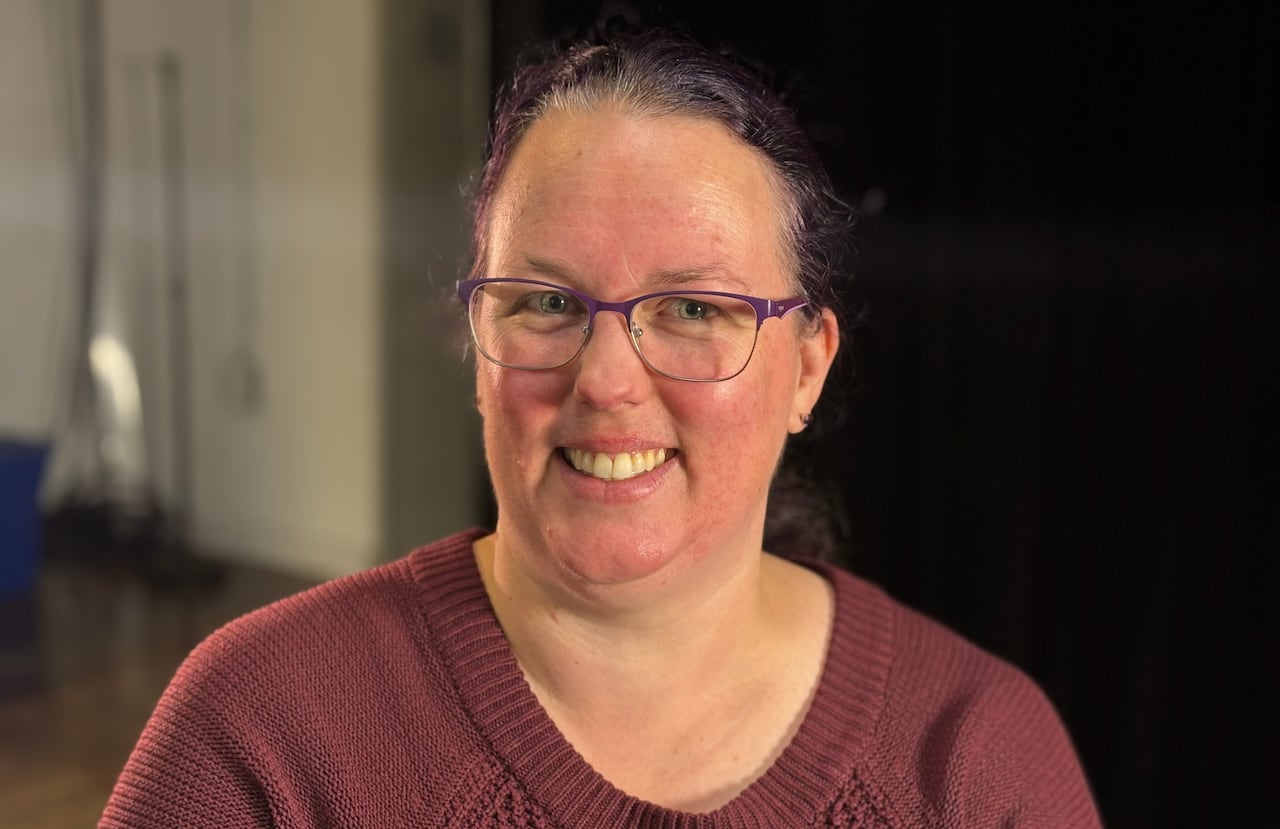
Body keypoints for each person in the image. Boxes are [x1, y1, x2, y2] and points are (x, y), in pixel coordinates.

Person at [101, 28, 1102, 828]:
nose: (608, 379)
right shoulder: (262, 726)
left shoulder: (975, 758)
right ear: (477, 345)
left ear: (806, 366)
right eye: (544, 302)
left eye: (695, 309)